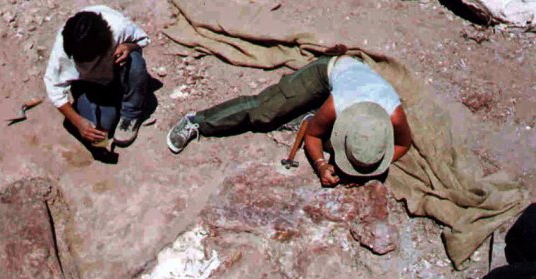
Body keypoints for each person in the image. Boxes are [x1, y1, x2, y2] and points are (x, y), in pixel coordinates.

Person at [167, 54, 412, 186]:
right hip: (329, 71)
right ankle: (197, 121)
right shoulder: (339, 104)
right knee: (264, 112)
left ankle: (306, 115)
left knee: (334, 145)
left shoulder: (393, 113)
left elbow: (403, 145)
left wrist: (367, 166)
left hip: (356, 86)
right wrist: (320, 165)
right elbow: (313, 136)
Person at [44, 5, 150, 148]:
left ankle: (131, 113)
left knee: (135, 63)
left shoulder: (118, 27)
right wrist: (78, 122)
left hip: (116, 72)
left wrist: (129, 47)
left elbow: (142, 40)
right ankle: (97, 103)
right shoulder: (64, 48)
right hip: (88, 84)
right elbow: (54, 89)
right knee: (101, 132)